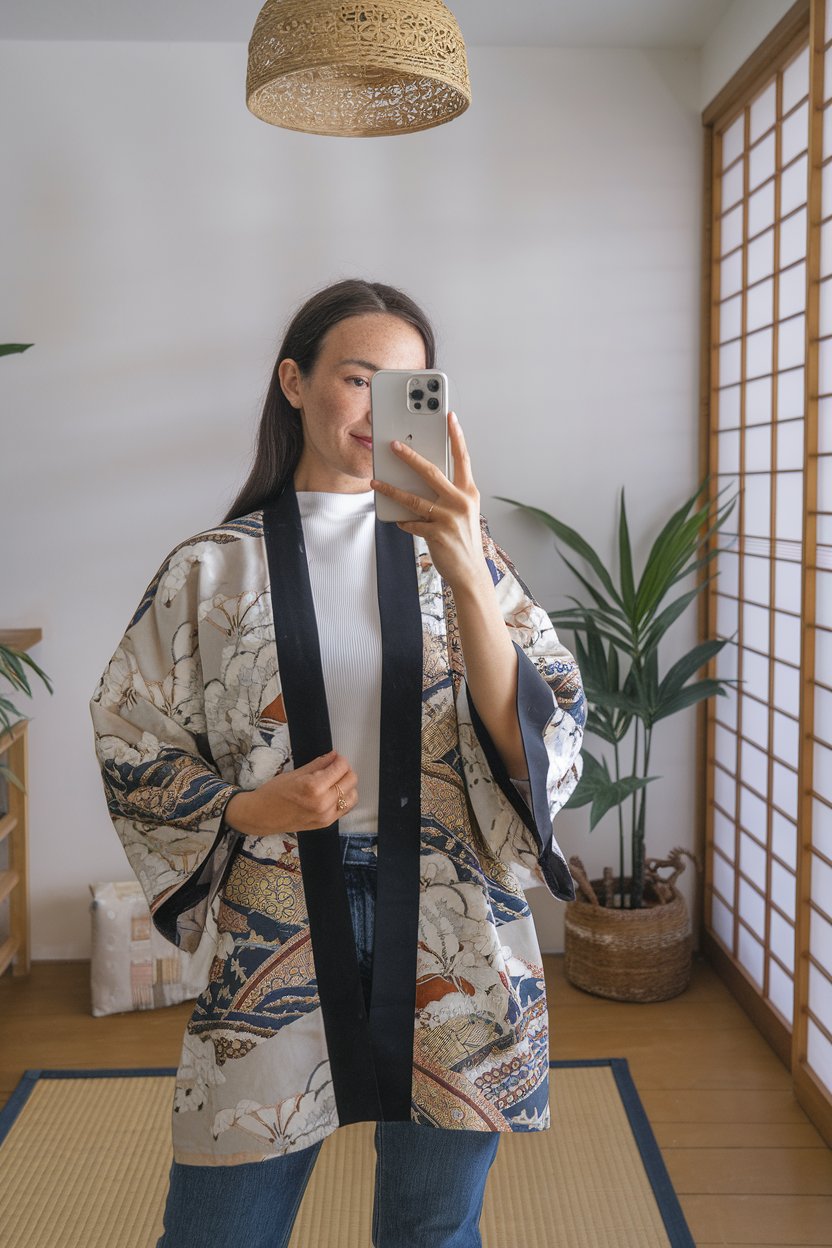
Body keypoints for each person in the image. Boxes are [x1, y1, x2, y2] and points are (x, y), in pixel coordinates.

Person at [89, 278, 586, 1248]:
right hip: (276, 913)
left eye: (408, 386)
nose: (375, 409)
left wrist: (468, 574)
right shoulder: (210, 569)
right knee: (214, 1231)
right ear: (294, 382)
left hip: (454, 922)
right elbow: (129, 731)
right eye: (357, 379)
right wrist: (243, 809)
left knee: (432, 1233)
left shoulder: (464, 555)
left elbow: (544, 729)